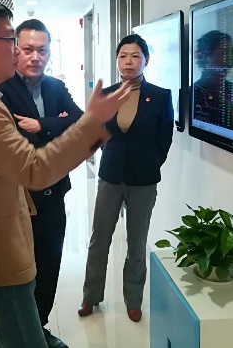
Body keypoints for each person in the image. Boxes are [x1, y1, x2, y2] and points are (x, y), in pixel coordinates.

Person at [0, 1, 131, 348]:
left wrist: (56, 124)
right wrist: (92, 123)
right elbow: (34, 169)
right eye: (11, 40)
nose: (17, 51)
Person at [0, 19, 82, 348]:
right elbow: (12, 138)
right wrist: (58, 127)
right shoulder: (2, 88)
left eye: (42, 50)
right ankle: (25, 333)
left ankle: (40, 326)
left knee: (50, 265)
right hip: (20, 198)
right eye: (28, 49)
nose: (35, 57)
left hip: (55, 193)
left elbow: (80, 121)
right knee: (23, 270)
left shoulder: (55, 87)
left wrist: (42, 125)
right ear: (15, 50)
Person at [78, 34, 174, 323]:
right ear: (117, 60)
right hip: (110, 176)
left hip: (143, 180)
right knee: (99, 240)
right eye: (123, 56)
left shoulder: (160, 96)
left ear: (146, 60)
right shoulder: (106, 94)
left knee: (136, 242)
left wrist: (149, 164)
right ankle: (90, 296)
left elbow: (164, 139)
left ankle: (133, 300)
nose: (128, 62)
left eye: (135, 56)